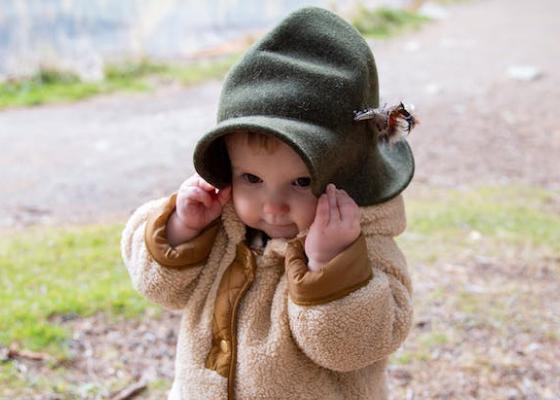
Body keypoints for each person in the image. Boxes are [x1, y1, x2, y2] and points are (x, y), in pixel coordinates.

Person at [121, 6, 416, 400]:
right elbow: (160, 289)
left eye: (300, 182)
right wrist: (182, 228)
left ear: (344, 178)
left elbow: (352, 348)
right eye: (252, 179)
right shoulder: (220, 225)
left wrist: (328, 263)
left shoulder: (366, 248)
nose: (273, 205)